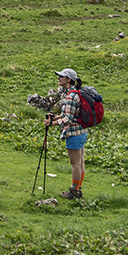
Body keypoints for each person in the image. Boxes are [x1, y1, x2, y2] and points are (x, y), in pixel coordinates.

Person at [44, 68, 87, 199]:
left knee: (75, 164)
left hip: (73, 133)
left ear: (69, 80)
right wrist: (55, 117)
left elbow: (67, 119)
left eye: (61, 76)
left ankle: (74, 191)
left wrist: (52, 123)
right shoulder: (74, 93)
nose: (59, 78)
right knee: (80, 163)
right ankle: (78, 189)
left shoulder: (71, 96)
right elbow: (66, 114)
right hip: (81, 131)